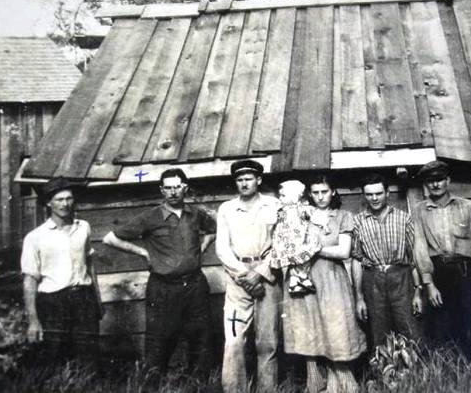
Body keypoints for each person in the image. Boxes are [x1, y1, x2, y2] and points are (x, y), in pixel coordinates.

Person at [102, 168, 216, 377]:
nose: (173, 192)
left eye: (177, 187)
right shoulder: (150, 217)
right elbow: (110, 238)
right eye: (168, 188)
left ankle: (198, 383)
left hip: (194, 285)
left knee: (200, 335)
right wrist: (143, 253)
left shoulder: (195, 214)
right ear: (162, 190)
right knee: (159, 338)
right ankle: (155, 382)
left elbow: (213, 229)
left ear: (185, 188)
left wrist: (202, 247)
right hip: (163, 287)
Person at [282, 175, 366, 393]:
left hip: (331, 278)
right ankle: (315, 378)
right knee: (308, 325)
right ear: (310, 193)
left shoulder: (343, 217)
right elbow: (287, 244)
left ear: (333, 192)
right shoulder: (301, 215)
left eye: (325, 191)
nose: (320, 197)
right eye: (316, 192)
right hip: (303, 277)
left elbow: (343, 251)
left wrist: (311, 249)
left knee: (336, 326)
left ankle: (341, 380)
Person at [215, 159, 282, 393]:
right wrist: (244, 275)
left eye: (249, 179)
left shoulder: (275, 206)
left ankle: (268, 389)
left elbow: (282, 243)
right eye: (240, 180)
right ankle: (235, 389)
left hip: (268, 278)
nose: (244, 183)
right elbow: (222, 248)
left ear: (259, 180)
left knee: (268, 342)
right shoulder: (227, 209)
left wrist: (261, 273)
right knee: (234, 341)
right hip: (238, 281)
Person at [21, 177, 101, 365]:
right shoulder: (35, 237)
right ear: (49, 203)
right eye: (59, 199)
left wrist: (97, 300)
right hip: (53, 302)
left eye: (69, 198)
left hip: (84, 298)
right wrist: (33, 320)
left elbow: (89, 263)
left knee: (89, 355)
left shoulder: (83, 228)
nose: (65, 204)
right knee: (54, 355)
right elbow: (30, 280)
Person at [413, 160, 471, 357]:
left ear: (448, 180)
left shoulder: (466, 206)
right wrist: (429, 284)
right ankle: (448, 369)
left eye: (439, 180)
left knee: (470, 319)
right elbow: (420, 247)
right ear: (426, 184)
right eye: (431, 181)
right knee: (441, 322)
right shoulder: (420, 210)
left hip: (465, 270)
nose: (436, 185)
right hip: (439, 271)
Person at [351, 173, 423, 347]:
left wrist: (418, 293)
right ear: (364, 195)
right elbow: (357, 260)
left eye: (378, 193)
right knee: (379, 331)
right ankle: (385, 373)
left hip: (401, 277)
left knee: (409, 327)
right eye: (369, 194)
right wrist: (359, 297)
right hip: (373, 279)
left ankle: (414, 372)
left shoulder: (403, 218)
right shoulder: (358, 222)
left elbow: (414, 257)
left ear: (387, 193)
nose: (374, 198)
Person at [271, 180, 323, 295]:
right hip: (286, 239)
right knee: (292, 261)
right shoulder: (281, 210)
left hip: (299, 238)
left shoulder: (302, 208)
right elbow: (273, 220)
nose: (280, 198)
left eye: (283, 195)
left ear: (293, 196)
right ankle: (294, 282)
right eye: (280, 195)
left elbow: (315, 217)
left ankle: (303, 278)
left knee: (303, 258)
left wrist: (323, 224)